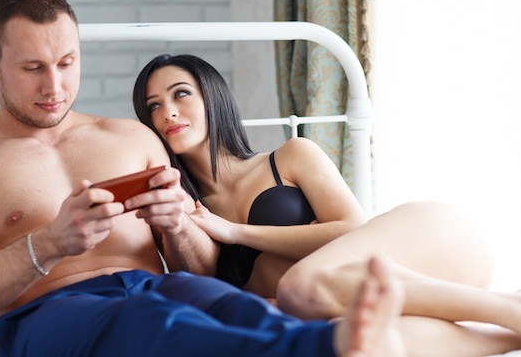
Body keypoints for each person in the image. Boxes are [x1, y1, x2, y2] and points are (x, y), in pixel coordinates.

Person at [0, 0, 412, 357]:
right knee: (151, 317)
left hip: (158, 286)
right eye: (33, 68)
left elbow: (204, 268)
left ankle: (335, 340)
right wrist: (49, 243)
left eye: (67, 62)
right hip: (49, 317)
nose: (55, 87)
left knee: (226, 304)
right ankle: (331, 347)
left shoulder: (130, 138)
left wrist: (176, 227)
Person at [132, 53, 521, 355]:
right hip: (361, 299)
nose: (167, 111)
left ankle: (507, 308)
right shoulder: (181, 209)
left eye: (180, 93)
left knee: (299, 286)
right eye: (153, 106)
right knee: (371, 341)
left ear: (212, 97)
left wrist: (235, 232)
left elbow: (353, 227)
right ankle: (508, 332)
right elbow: (200, 288)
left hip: (431, 245)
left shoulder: (290, 156)